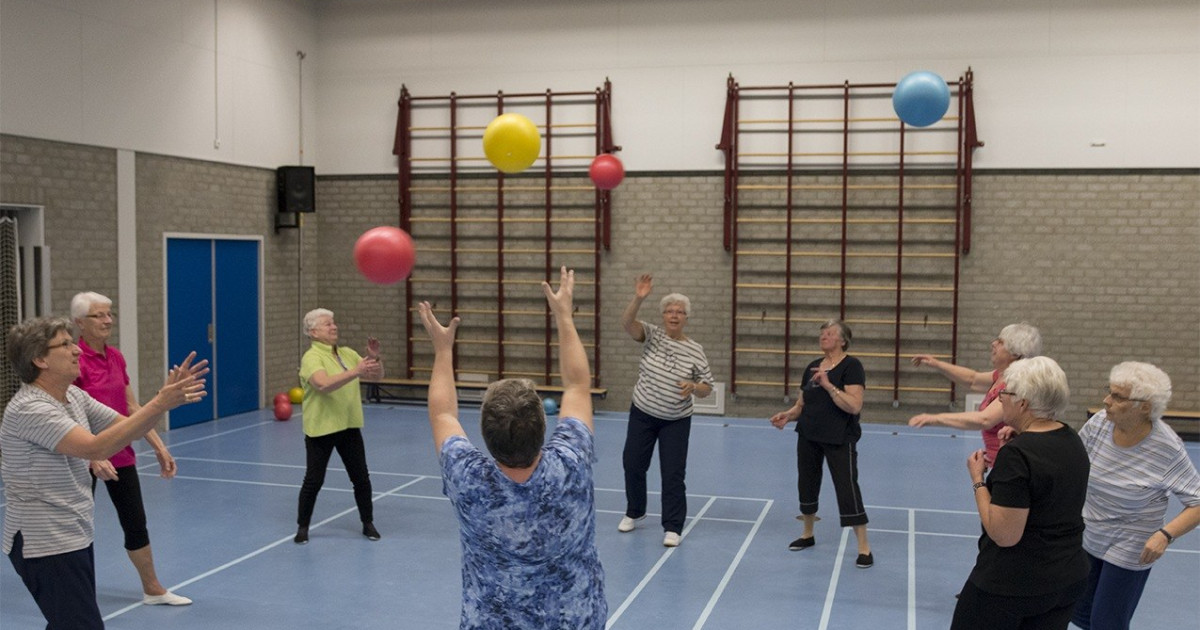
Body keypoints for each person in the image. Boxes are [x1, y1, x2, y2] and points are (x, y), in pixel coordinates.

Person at [418, 266, 607, 629]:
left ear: (485, 435)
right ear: (543, 425)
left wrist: (443, 352)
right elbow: (578, 386)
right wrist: (563, 316)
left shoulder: (467, 477)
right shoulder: (572, 461)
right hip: (577, 619)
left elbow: (443, 413)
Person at [2, 316, 206, 629]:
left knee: (66, 622)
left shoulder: (73, 396)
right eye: (66, 345)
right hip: (43, 541)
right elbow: (95, 448)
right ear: (40, 359)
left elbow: (128, 427)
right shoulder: (31, 408)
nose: (77, 351)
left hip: (73, 533)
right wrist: (158, 405)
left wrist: (162, 403)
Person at [69, 292, 191, 606]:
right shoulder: (73, 361)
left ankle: (153, 589)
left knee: (135, 521)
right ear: (80, 322)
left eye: (109, 314)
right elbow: (71, 414)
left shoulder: (116, 357)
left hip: (120, 453)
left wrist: (159, 447)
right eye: (99, 315)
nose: (108, 320)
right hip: (82, 457)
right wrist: (94, 456)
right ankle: (76, 595)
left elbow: (132, 406)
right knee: (77, 528)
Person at [951, 356, 1090, 630]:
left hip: (1014, 584)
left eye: (1006, 393)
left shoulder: (1017, 456)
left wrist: (978, 480)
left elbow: (1004, 535)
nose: (1000, 398)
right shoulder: (1071, 438)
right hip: (1066, 577)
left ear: (1024, 403)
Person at [1071, 362, 1200, 630]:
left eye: (1118, 397)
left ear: (1145, 407)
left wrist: (1164, 535)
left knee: (1107, 622)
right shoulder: (1098, 424)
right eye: (1109, 391)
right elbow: (1072, 461)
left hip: (1132, 542)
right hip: (1090, 530)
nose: (1106, 401)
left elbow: (1197, 502)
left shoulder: (1166, 448)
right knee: (1080, 613)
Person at [617, 273, 714, 547]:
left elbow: (708, 387)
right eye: (669, 311)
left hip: (676, 421)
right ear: (662, 316)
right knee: (632, 463)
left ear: (686, 317)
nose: (674, 315)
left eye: (680, 312)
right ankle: (635, 511)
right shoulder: (651, 335)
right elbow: (626, 323)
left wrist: (694, 387)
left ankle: (672, 526)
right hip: (643, 413)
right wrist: (638, 298)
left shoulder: (695, 350)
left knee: (672, 473)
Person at [770, 319, 873, 567]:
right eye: (822, 333)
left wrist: (828, 386)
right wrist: (787, 415)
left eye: (829, 333)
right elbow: (801, 404)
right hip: (808, 434)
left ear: (843, 340)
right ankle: (808, 534)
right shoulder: (813, 367)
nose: (823, 337)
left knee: (847, 488)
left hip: (839, 438)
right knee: (807, 483)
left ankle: (864, 548)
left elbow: (854, 405)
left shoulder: (852, 366)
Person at [294, 308, 383, 544]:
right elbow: (322, 384)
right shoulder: (311, 358)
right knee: (314, 480)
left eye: (334, 323)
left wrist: (374, 358)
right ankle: (303, 527)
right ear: (313, 332)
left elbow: (376, 376)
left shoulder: (347, 353)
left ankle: (368, 523)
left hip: (349, 426)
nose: (334, 327)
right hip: (321, 429)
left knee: (361, 477)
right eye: (327, 324)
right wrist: (356, 371)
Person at [909, 323, 1042, 466]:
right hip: (999, 462)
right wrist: (936, 364)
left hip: (1013, 464)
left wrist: (934, 419)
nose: (994, 344)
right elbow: (972, 379)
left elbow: (984, 420)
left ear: (1015, 353)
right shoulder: (1001, 376)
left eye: (1000, 342)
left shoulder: (1015, 385)